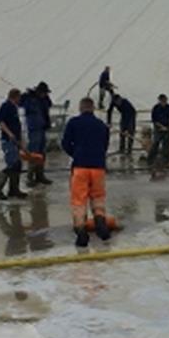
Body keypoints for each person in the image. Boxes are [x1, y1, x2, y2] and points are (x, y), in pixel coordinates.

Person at [61, 97, 112, 246]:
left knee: (79, 200)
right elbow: (105, 146)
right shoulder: (102, 125)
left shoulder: (73, 123)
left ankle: (81, 232)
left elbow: (65, 143)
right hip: (98, 167)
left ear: (80, 108)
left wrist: (75, 153)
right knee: (98, 198)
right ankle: (101, 224)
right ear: (93, 108)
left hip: (80, 167)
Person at [0, 89, 28, 201]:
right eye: (19, 98)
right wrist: (9, 133)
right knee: (12, 164)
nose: (20, 100)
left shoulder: (14, 108)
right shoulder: (6, 106)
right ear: (15, 97)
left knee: (17, 165)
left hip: (15, 141)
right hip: (8, 141)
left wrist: (21, 142)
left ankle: (14, 189)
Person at [21, 82, 53, 186]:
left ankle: (40, 175)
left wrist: (45, 98)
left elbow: (49, 104)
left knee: (42, 152)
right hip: (34, 128)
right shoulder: (29, 99)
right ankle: (30, 177)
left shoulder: (43, 100)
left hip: (42, 127)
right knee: (33, 152)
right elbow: (21, 103)